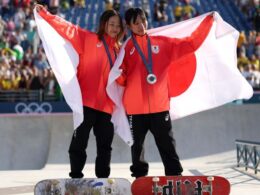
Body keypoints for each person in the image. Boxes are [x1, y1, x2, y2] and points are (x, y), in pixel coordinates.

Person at [115, 7, 213, 178]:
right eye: (136, 23)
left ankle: (175, 176)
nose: (141, 26)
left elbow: (191, 44)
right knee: (136, 146)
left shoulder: (162, 42)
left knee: (167, 143)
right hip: (135, 109)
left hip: (159, 107)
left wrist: (208, 22)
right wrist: (119, 75)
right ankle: (140, 178)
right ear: (129, 26)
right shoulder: (127, 48)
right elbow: (120, 78)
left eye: (143, 21)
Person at [35, 4, 124, 178]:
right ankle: (76, 175)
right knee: (79, 141)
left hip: (107, 106)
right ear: (104, 24)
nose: (115, 28)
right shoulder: (88, 38)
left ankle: (103, 178)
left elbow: (122, 78)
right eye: (112, 24)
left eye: (118, 25)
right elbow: (66, 28)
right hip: (86, 102)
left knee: (105, 145)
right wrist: (46, 15)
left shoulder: (119, 50)